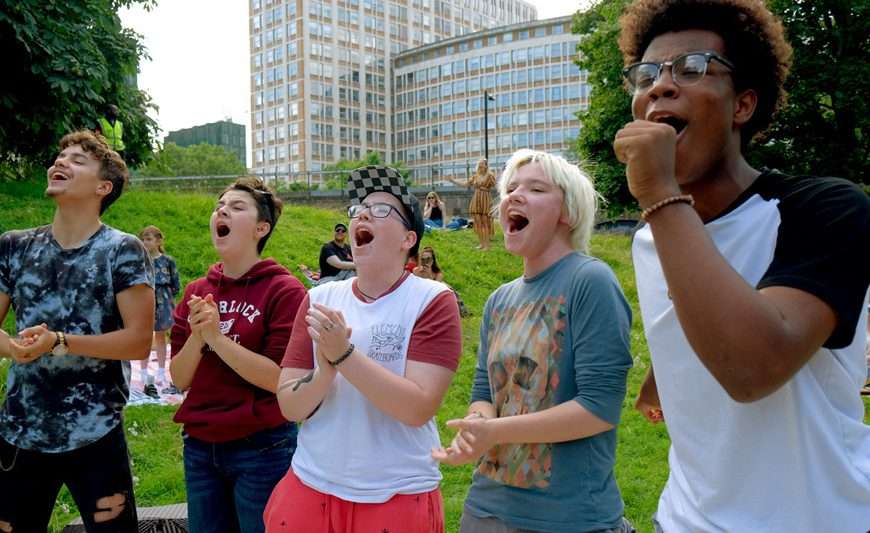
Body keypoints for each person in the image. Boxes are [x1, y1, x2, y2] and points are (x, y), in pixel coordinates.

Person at [613, 1, 870, 531]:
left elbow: (753, 368)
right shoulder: (650, 238)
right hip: (684, 518)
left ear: (743, 104)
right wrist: (666, 371)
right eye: (647, 75)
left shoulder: (824, 210)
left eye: (692, 67)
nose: (660, 86)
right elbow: (698, 309)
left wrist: (660, 194)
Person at [434, 149, 634, 533]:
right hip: (486, 508)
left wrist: (496, 432)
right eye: (510, 188)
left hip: (568, 518)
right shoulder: (498, 300)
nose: (514, 195)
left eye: (536, 188)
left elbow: (598, 408)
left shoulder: (590, 281)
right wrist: (477, 426)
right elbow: (483, 391)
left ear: (568, 212)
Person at [264, 166, 463, 533]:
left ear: (408, 238)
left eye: (383, 209)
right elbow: (290, 405)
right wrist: (324, 372)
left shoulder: (432, 300)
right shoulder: (319, 298)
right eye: (358, 209)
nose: (364, 213)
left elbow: (417, 407)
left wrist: (343, 354)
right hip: (311, 484)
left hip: (396, 494)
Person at [0, 130, 155, 533]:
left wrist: (61, 343)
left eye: (77, 159)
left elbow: (138, 341)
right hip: (21, 431)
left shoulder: (123, 249)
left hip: (96, 433)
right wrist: (12, 347)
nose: (60, 162)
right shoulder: (14, 246)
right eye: (60, 155)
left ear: (103, 187)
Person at [169, 176, 306, 533]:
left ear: (261, 228)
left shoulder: (284, 290)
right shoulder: (196, 291)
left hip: (262, 446)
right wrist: (199, 339)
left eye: (236, 206)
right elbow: (179, 378)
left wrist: (216, 336)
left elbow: (279, 378)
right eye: (220, 205)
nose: (222, 210)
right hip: (200, 447)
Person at [139, 225, 181, 396]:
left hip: (163, 302)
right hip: (144, 302)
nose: (145, 242)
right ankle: (143, 372)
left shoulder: (167, 261)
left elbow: (175, 283)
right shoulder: (139, 260)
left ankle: (162, 371)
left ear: (158, 241)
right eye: (143, 239)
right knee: (145, 337)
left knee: (161, 337)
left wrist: (169, 299)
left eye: (148, 239)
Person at [449, 158, 496, 250]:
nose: (481, 166)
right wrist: (453, 181)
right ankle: (482, 244)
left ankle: (487, 245)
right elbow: (465, 184)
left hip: (485, 199)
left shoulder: (490, 175)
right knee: (478, 223)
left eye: (483, 164)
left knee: (485, 223)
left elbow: (495, 185)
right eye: (479, 164)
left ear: (486, 165)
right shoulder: (475, 176)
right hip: (476, 199)